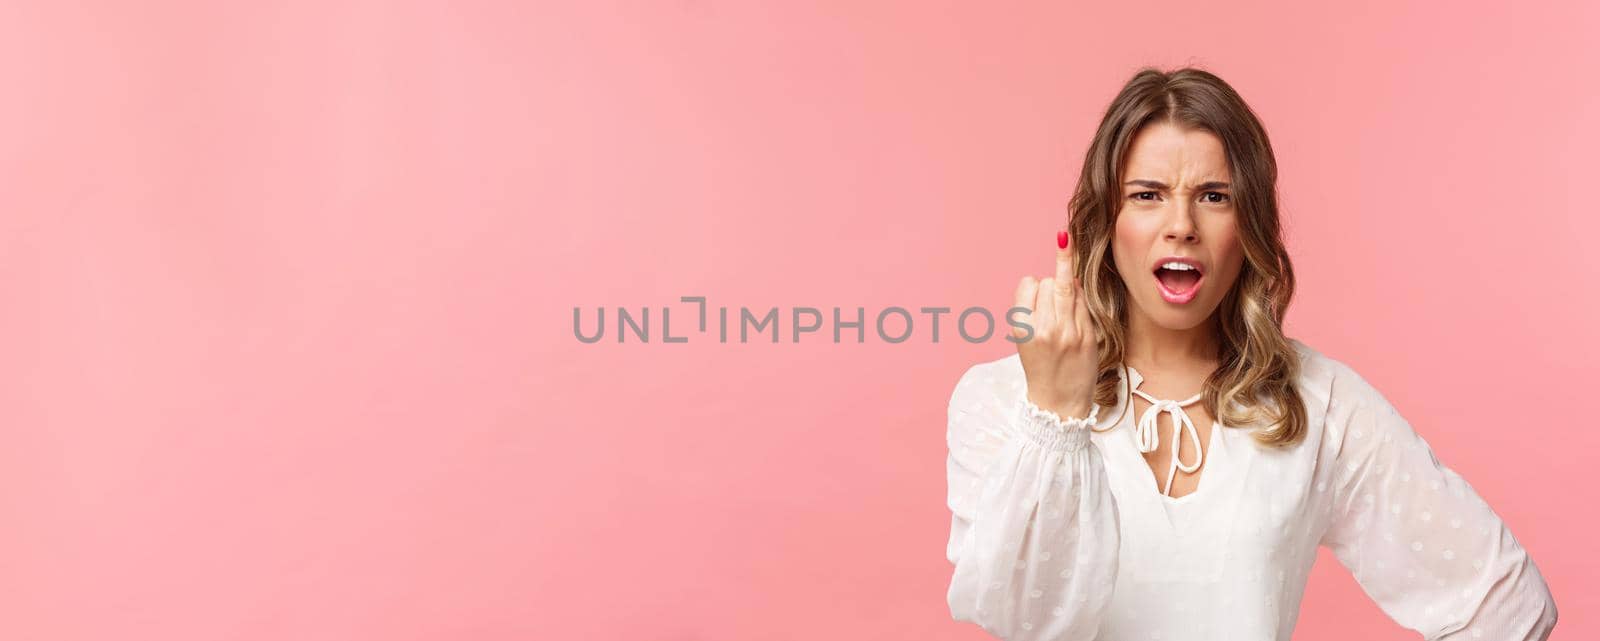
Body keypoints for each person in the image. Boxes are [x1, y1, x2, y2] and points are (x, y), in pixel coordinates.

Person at [943, 67, 1558, 640]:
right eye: (1147, 195)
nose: (1181, 224)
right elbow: (1018, 617)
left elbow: (1504, 602)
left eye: (1215, 196)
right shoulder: (996, 400)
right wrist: (1057, 413)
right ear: (1106, 222)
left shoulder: (1321, 403)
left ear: (1250, 225)